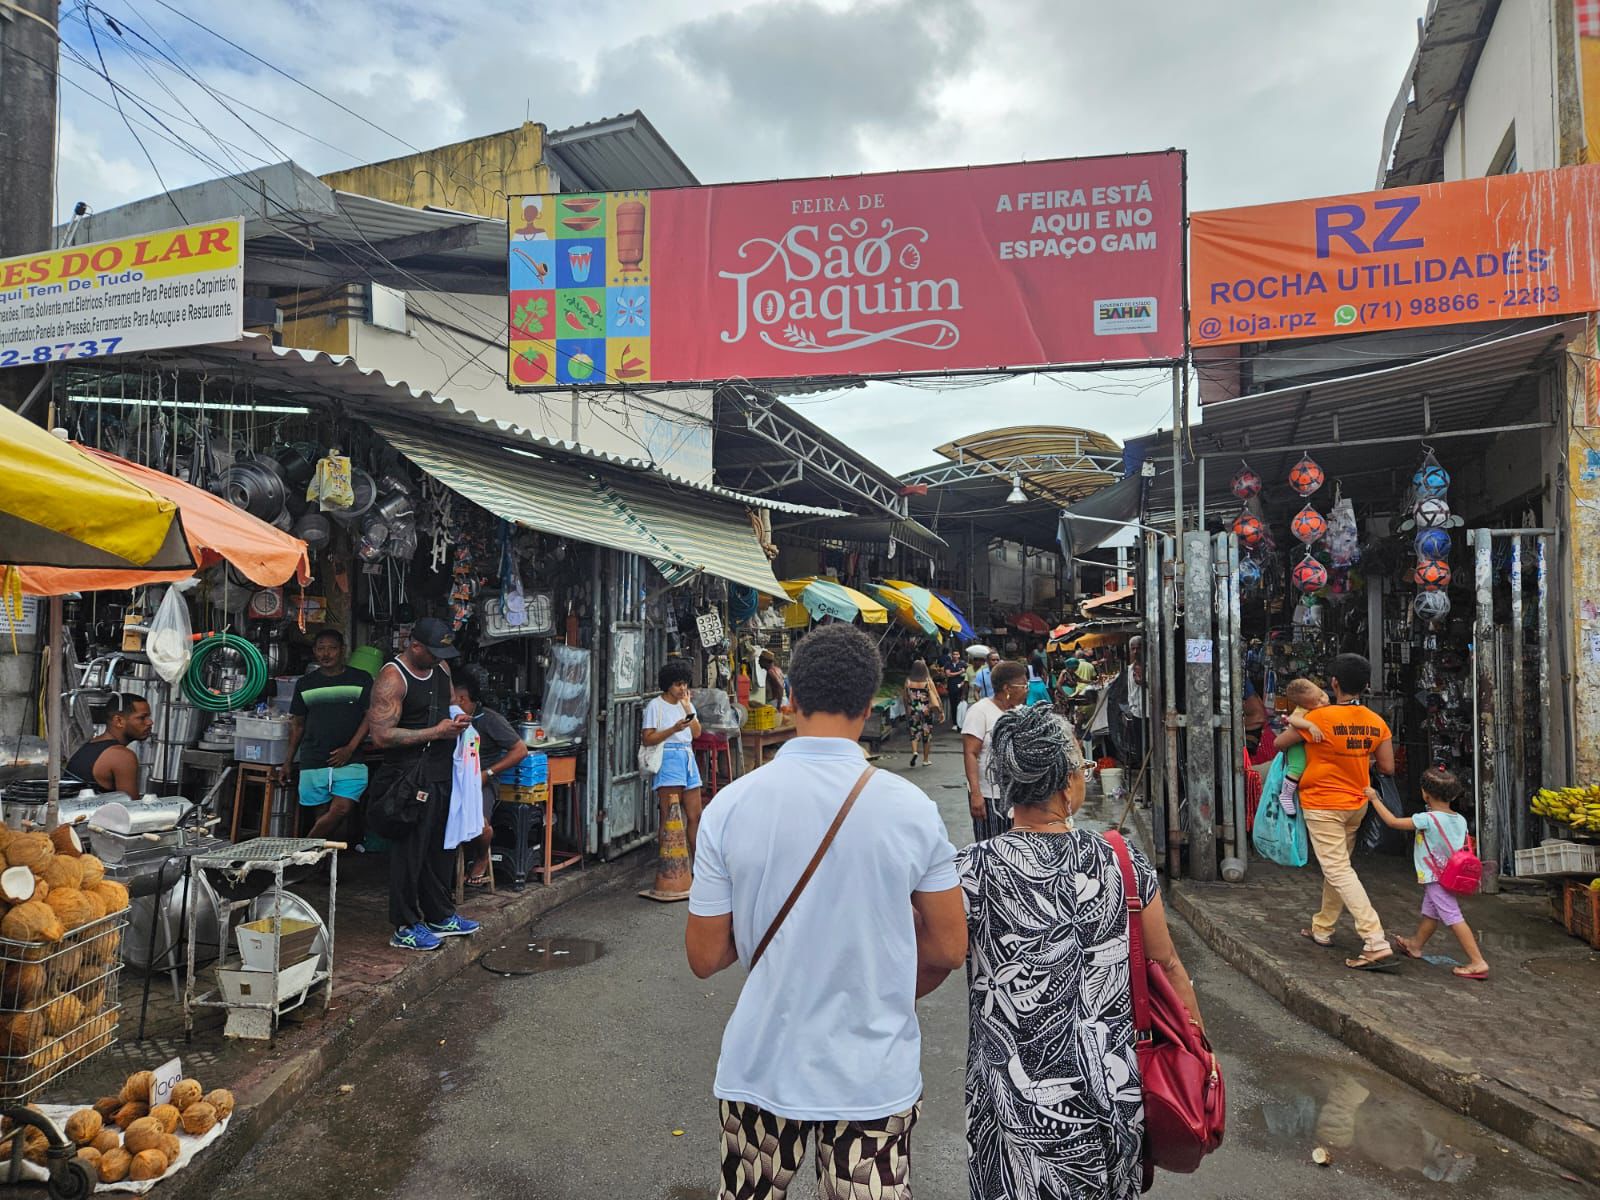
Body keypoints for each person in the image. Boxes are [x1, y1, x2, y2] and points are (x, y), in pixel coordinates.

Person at [686, 622, 965, 1200]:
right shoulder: (911, 809)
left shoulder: (729, 808)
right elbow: (948, 947)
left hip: (760, 1071)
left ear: (790, 698)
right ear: (869, 707)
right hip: (872, 1077)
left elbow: (705, 955)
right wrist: (876, 981)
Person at [958, 703, 1204, 1200]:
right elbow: (1167, 963)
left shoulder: (970, 869)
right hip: (1111, 1090)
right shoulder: (1120, 859)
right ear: (1070, 781)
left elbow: (938, 954)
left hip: (1008, 1108)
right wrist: (1200, 1051)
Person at [367, 617, 480, 952]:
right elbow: (382, 735)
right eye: (432, 652)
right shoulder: (392, 678)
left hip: (440, 769)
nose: (437, 658)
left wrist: (457, 718)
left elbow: (447, 706)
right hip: (407, 773)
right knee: (410, 850)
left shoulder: (441, 668)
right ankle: (404, 924)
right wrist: (435, 733)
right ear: (415, 646)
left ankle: (439, 914)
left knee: (440, 846)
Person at [1276, 652, 1394, 971]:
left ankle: (1375, 940)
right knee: (1338, 867)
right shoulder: (1376, 722)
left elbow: (1279, 743)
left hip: (1323, 803)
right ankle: (1323, 927)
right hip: (1356, 804)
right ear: (1366, 685)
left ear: (1334, 683)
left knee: (1338, 870)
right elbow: (1387, 766)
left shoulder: (1319, 718)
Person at [1365, 767, 1490, 980]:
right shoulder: (1459, 819)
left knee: (1453, 917)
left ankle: (1477, 961)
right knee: (1431, 913)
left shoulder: (1427, 819)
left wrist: (1375, 799)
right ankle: (1415, 945)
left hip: (1436, 878)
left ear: (1425, 794)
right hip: (1450, 875)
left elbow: (1393, 822)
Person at [278, 629, 372, 842]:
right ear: (314, 652)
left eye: (332, 648)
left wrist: (349, 748)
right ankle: (321, 866)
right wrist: (287, 761)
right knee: (321, 816)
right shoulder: (305, 684)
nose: (326, 654)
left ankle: (304, 851)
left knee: (341, 809)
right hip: (314, 757)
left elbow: (370, 717)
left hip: (350, 760)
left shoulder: (361, 679)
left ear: (343, 651)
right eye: (321, 649)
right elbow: (298, 725)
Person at [451, 669, 529, 888]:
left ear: (462, 698)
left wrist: (488, 773)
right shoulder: (448, 718)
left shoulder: (489, 719)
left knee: (481, 825)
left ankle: (482, 855)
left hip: (482, 781)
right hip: (453, 779)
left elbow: (520, 750)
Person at [642, 661, 703, 860]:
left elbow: (696, 733)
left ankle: (697, 866)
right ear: (668, 684)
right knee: (670, 817)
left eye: (685, 684)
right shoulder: (655, 706)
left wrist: (687, 708)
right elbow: (647, 738)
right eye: (678, 684)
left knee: (696, 815)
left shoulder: (687, 704)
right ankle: (669, 868)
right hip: (668, 757)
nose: (682, 688)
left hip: (687, 757)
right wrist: (672, 730)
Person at [961, 660, 1029, 842]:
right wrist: (975, 794)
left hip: (1018, 795)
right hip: (989, 797)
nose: (1026, 689)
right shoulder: (980, 711)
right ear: (1007, 688)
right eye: (1023, 685)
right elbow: (970, 753)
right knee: (991, 848)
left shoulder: (1021, 712)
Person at [65, 692, 151, 794]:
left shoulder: (90, 744)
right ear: (119, 721)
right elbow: (130, 807)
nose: (150, 722)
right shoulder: (121, 756)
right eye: (142, 718)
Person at [1274, 677, 1330, 815]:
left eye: (1322, 694)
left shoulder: (1324, 708)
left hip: (1304, 742)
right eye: (1317, 702)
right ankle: (1286, 794)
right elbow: (1293, 719)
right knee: (1298, 766)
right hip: (1296, 744)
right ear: (1305, 705)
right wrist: (1310, 725)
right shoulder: (1301, 710)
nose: (1323, 700)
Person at [901, 659, 943, 769]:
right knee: (926, 734)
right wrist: (941, 711)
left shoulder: (908, 681)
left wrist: (907, 709)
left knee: (914, 732)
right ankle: (925, 759)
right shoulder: (928, 681)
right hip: (926, 710)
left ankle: (915, 752)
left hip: (913, 710)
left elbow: (905, 697)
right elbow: (936, 696)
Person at [942, 648, 967, 732]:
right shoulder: (948, 664)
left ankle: (962, 723)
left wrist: (963, 682)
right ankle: (955, 723)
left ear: (959, 655)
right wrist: (959, 673)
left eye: (957, 654)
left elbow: (966, 674)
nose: (955, 656)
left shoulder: (963, 664)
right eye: (954, 654)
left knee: (962, 704)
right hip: (952, 686)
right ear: (951, 655)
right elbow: (948, 674)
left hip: (961, 687)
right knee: (953, 705)